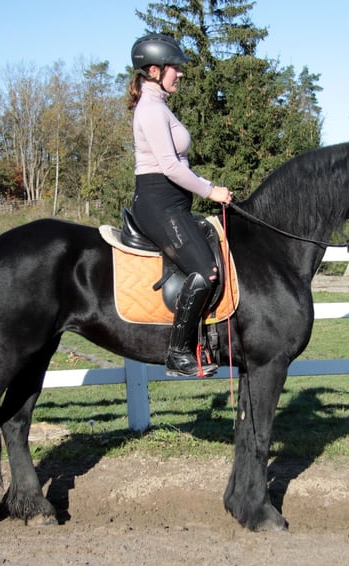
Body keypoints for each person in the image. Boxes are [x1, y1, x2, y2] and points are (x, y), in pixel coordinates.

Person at [128, 33, 233, 377]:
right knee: (206, 271)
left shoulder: (158, 106)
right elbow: (171, 167)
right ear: (155, 70)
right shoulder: (151, 110)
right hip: (159, 202)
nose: (181, 73)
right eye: (175, 67)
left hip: (171, 201)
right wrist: (211, 191)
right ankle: (177, 353)